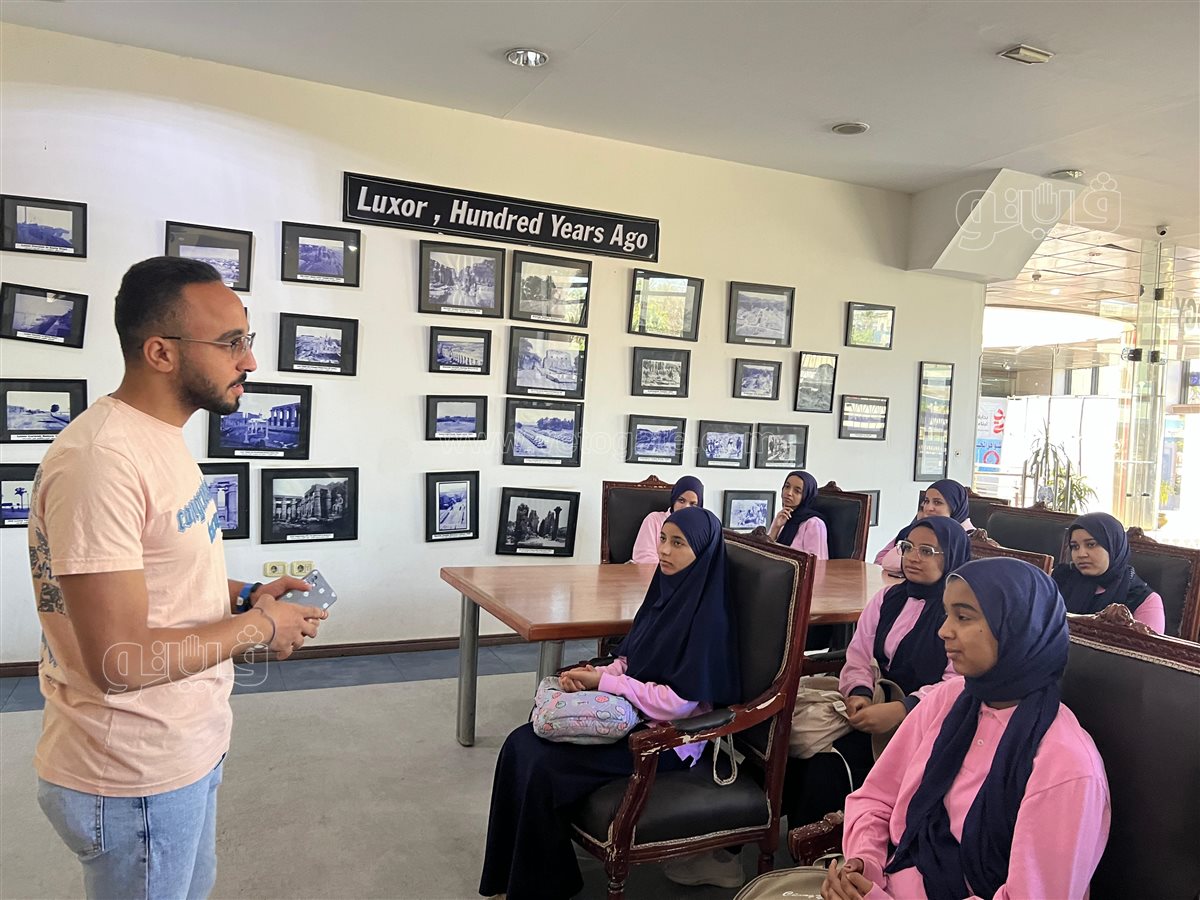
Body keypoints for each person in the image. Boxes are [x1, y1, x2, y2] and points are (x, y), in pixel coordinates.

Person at [29, 257, 329, 900]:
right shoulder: (102, 461)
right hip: (132, 772)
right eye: (232, 342)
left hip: (182, 746)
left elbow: (162, 574)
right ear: (161, 352)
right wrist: (260, 626)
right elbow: (120, 661)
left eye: (247, 339)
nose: (250, 361)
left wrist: (246, 595)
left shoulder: (157, 437)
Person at [480, 506, 741, 899]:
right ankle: (523, 878)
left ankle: (540, 888)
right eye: (663, 539)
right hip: (631, 717)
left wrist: (607, 683)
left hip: (668, 740)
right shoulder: (664, 593)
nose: (664, 550)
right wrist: (598, 673)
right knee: (521, 743)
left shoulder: (710, 620)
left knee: (544, 765)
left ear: (701, 553)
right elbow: (632, 657)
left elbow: (678, 705)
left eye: (678, 543)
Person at [824, 559, 1110, 900]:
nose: (943, 630)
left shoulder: (1066, 765)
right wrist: (864, 864)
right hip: (890, 874)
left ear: (1017, 627)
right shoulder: (948, 699)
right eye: (947, 614)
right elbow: (876, 798)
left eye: (963, 617)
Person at [782, 517, 970, 831]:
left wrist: (903, 709)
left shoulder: (961, 615)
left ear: (952, 557)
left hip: (928, 721)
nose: (913, 557)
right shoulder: (888, 598)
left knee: (828, 764)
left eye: (927, 551)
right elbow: (859, 655)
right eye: (908, 547)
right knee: (800, 744)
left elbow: (958, 683)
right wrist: (859, 693)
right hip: (876, 703)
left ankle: (837, 846)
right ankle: (801, 840)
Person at [1052, 511, 1166, 633]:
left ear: (1113, 546)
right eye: (1075, 546)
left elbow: (1146, 645)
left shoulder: (1143, 600)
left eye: (1091, 545)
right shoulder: (1060, 579)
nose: (1081, 554)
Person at [873, 479, 974, 575]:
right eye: (926, 501)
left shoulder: (970, 538)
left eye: (937, 502)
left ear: (955, 507)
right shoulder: (919, 530)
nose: (928, 508)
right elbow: (881, 560)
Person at [629, 475, 704, 563]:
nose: (686, 507)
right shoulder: (654, 520)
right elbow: (643, 557)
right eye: (681, 500)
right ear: (673, 500)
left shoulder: (702, 528)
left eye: (693, 504)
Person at [768, 470, 828, 559]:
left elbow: (817, 563)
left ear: (806, 495)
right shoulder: (783, 516)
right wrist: (776, 528)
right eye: (787, 487)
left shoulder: (814, 524)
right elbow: (765, 553)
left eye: (797, 491)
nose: (789, 493)